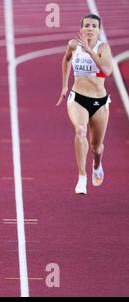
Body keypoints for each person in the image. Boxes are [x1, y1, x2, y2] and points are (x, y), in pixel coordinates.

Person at [56, 14, 112, 195]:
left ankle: (97, 164)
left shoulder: (103, 48)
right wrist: (65, 85)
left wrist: (90, 51)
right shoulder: (73, 45)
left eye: (94, 26)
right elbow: (65, 59)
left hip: (99, 102)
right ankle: (82, 177)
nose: (90, 28)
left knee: (97, 148)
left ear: (99, 30)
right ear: (81, 29)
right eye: (86, 25)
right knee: (80, 131)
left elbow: (107, 70)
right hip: (78, 98)